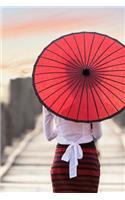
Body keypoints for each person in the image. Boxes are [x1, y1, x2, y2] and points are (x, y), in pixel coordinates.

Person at [42, 105, 102, 193]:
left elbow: (49, 135)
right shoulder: (91, 101)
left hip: (62, 159)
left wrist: (60, 129)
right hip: (88, 159)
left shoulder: (50, 102)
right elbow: (97, 134)